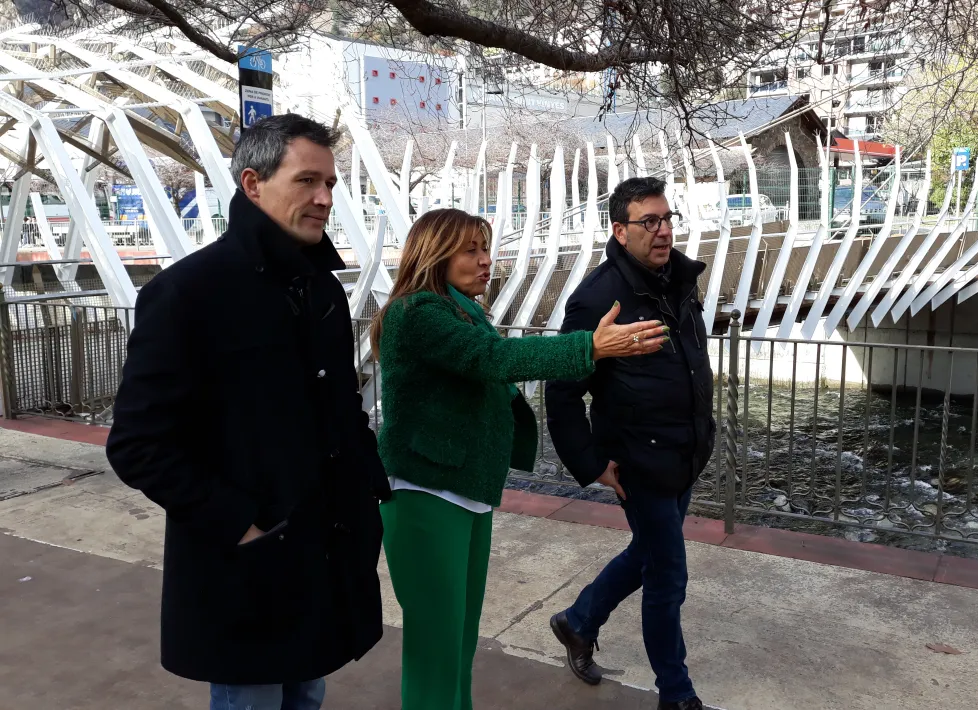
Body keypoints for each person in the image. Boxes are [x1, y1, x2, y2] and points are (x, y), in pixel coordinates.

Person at [106, 114, 391, 710]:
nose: (324, 198)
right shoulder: (186, 294)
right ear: (253, 183)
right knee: (253, 697)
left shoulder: (321, 288)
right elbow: (137, 443)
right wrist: (241, 523)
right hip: (247, 560)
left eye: (330, 183)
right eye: (307, 180)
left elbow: (343, 405)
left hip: (322, 549)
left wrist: (368, 488)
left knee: (307, 692)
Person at [370, 208, 668, 710]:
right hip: (425, 494)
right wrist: (590, 347)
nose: (486, 261)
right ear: (434, 253)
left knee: (457, 642)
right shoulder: (416, 312)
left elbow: (489, 363)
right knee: (436, 649)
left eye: (486, 249)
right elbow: (495, 360)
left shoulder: (460, 309)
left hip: (463, 491)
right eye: (471, 250)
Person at [545, 176, 715, 710]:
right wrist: (592, 464)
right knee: (667, 576)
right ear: (620, 231)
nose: (663, 231)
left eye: (667, 219)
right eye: (649, 222)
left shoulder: (678, 280)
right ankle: (676, 694)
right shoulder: (598, 299)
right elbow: (562, 391)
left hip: (684, 454)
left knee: (648, 552)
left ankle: (578, 621)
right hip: (638, 461)